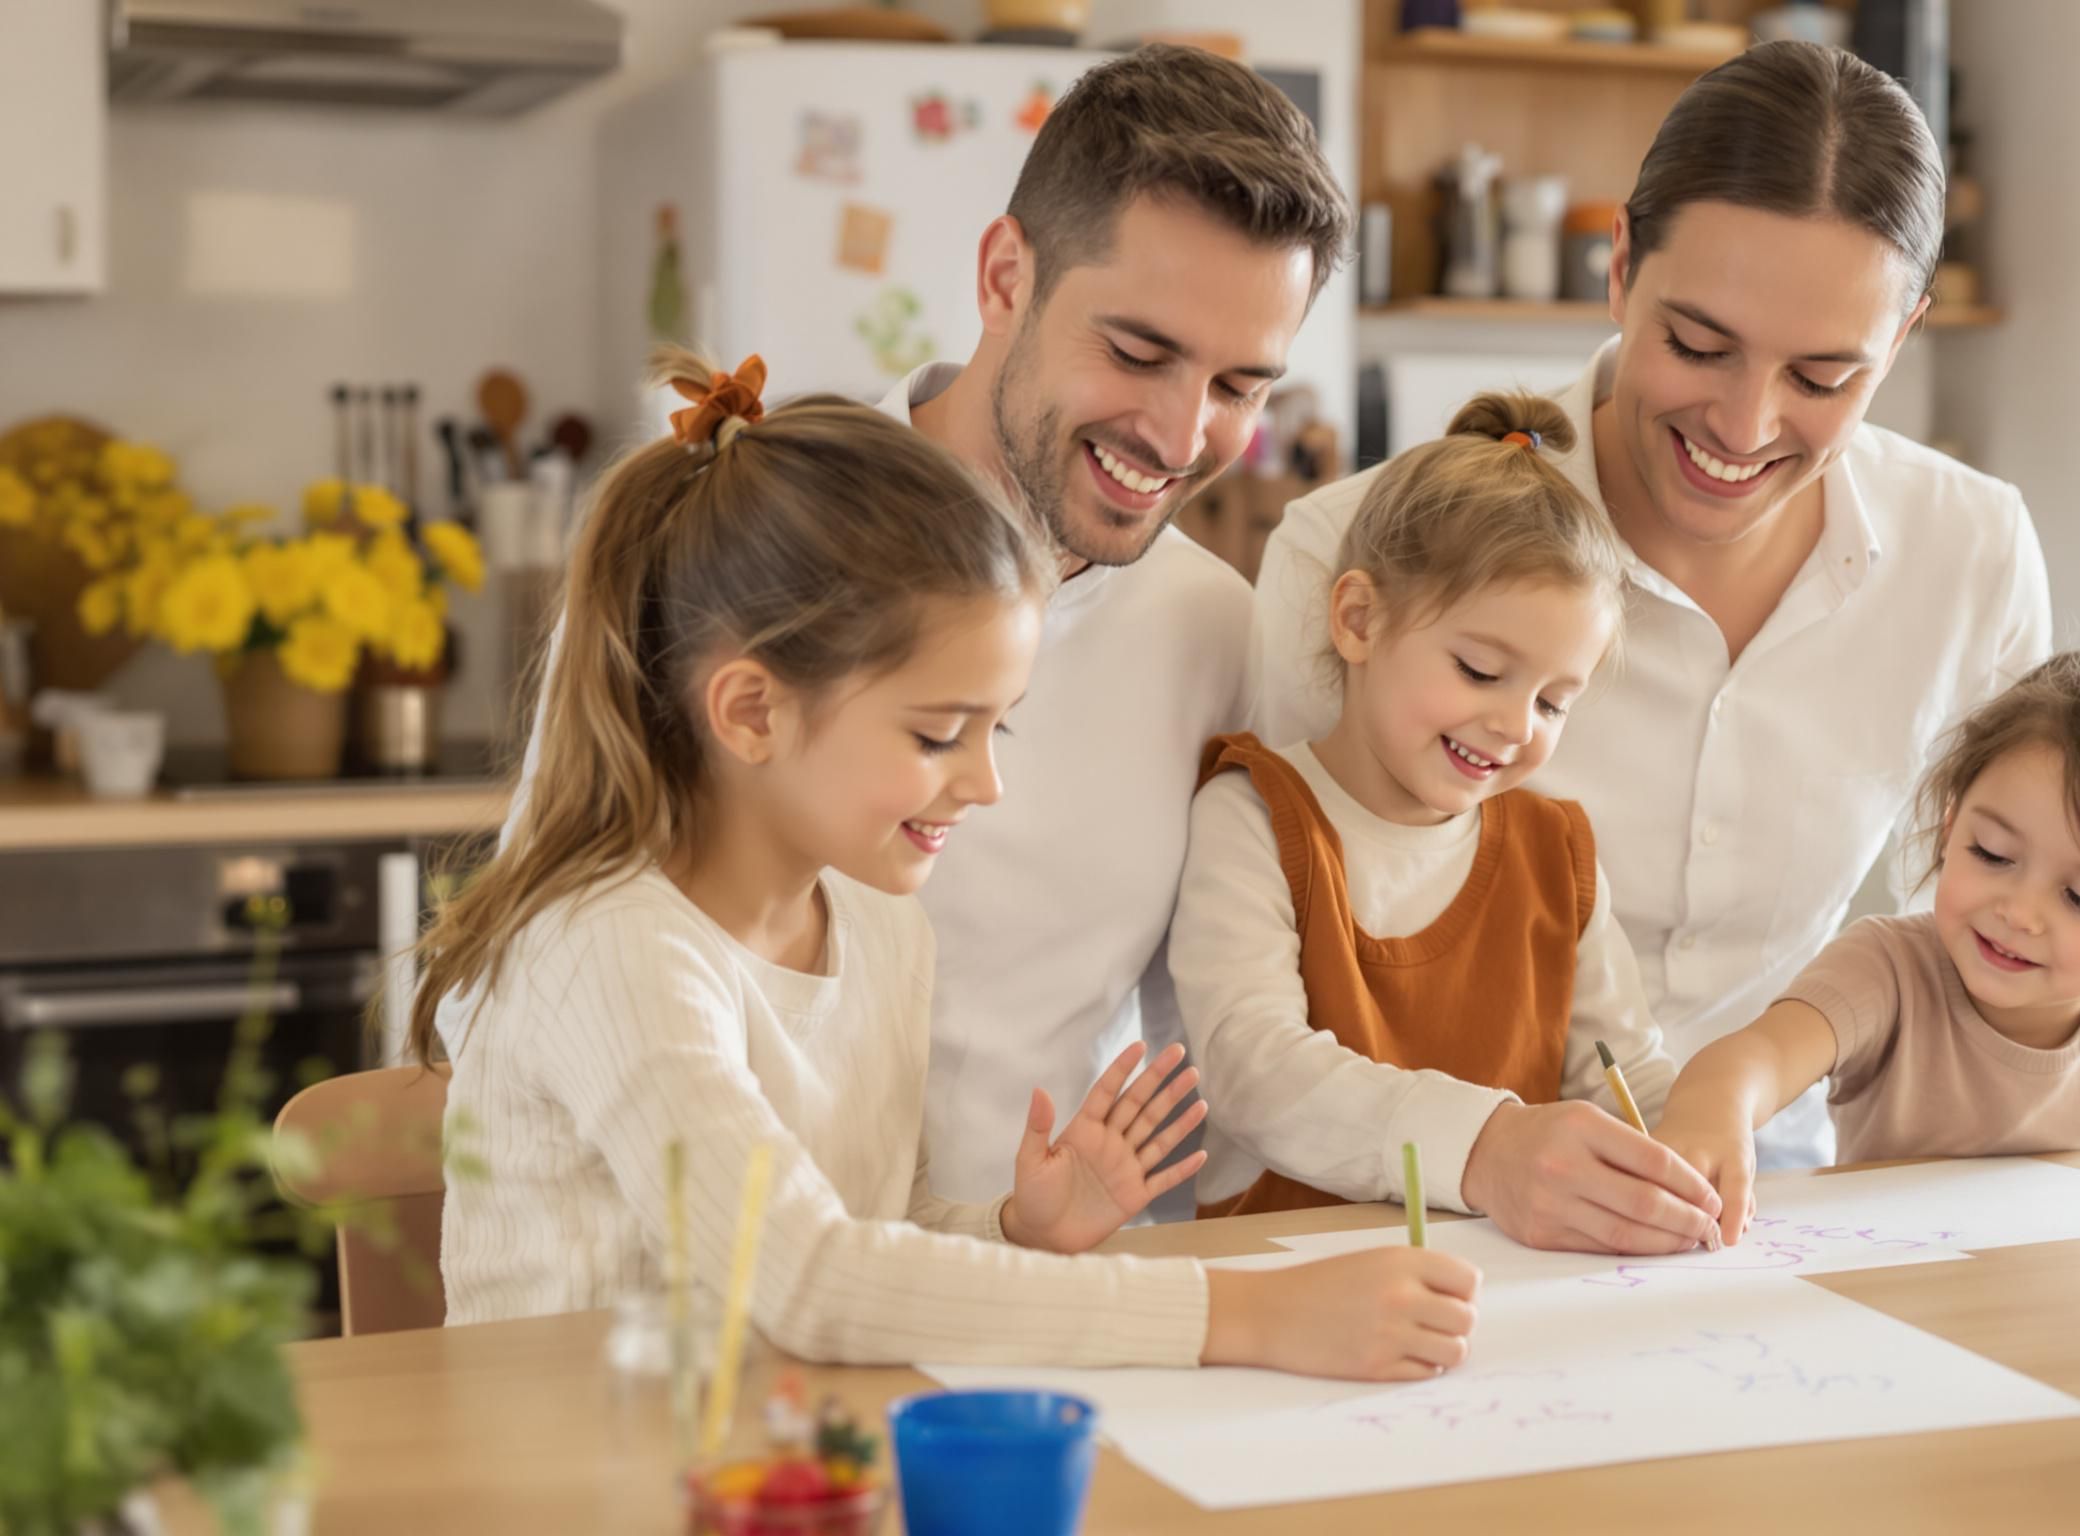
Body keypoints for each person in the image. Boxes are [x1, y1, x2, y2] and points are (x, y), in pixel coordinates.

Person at [422, 354, 1480, 1378]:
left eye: (997, 732)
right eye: (937, 735)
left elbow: (882, 1231)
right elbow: (803, 1274)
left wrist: (1014, 1226)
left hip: (777, 1454)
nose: (983, 785)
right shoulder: (610, 945)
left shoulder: (876, 923)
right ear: (752, 713)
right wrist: (1239, 1314)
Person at [470, 47, 1358, 1208]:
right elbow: (526, 968)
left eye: (1241, 387)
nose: (1181, 433)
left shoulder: (1216, 634)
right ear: (1003, 276)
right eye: (1138, 353)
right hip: (716, 1298)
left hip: (1042, 1293)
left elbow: (1217, 1047)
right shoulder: (747, 546)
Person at [1252, 41, 2053, 1181]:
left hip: (1768, 1205)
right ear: (1617, 266)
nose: (1743, 423)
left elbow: (1980, 946)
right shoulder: (1355, 556)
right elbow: (1256, 1005)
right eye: (1695, 344)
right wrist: (1478, 1155)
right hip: (1412, 1212)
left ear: (1905, 334)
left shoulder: (1969, 554)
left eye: (1824, 378)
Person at [1171, 393, 1721, 1252]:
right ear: (1358, 619)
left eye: (1552, 701)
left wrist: (1690, 1148)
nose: (1515, 725)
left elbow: (1621, 1074)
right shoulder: (1254, 816)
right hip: (1285, 1294)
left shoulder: (1557, 855)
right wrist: (1484, 1147)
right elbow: (1251, 1068)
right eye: (1479, 670)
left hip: (1503, 1297)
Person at [1655, 650, 2080, 1241]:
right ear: (1950, 823)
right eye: (1991, 853)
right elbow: (1757, 1058)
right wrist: (1714, 1111)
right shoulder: (1887, 970)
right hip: (1887, 1295)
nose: (2018, 912)